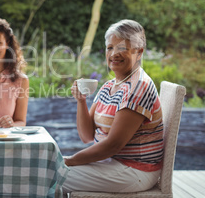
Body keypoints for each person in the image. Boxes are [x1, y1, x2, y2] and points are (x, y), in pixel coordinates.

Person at [62, 19, 163, 193]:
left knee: (50, 177)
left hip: (135, 170)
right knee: (47, 172)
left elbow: (113, 145)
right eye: (110, 48)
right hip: (110, 163)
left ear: (139, 52)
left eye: (122, 48)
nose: (114, 53)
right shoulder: (109, 86)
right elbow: (87, 136)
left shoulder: (138, 87)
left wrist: (69, 161)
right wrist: (81, 101)